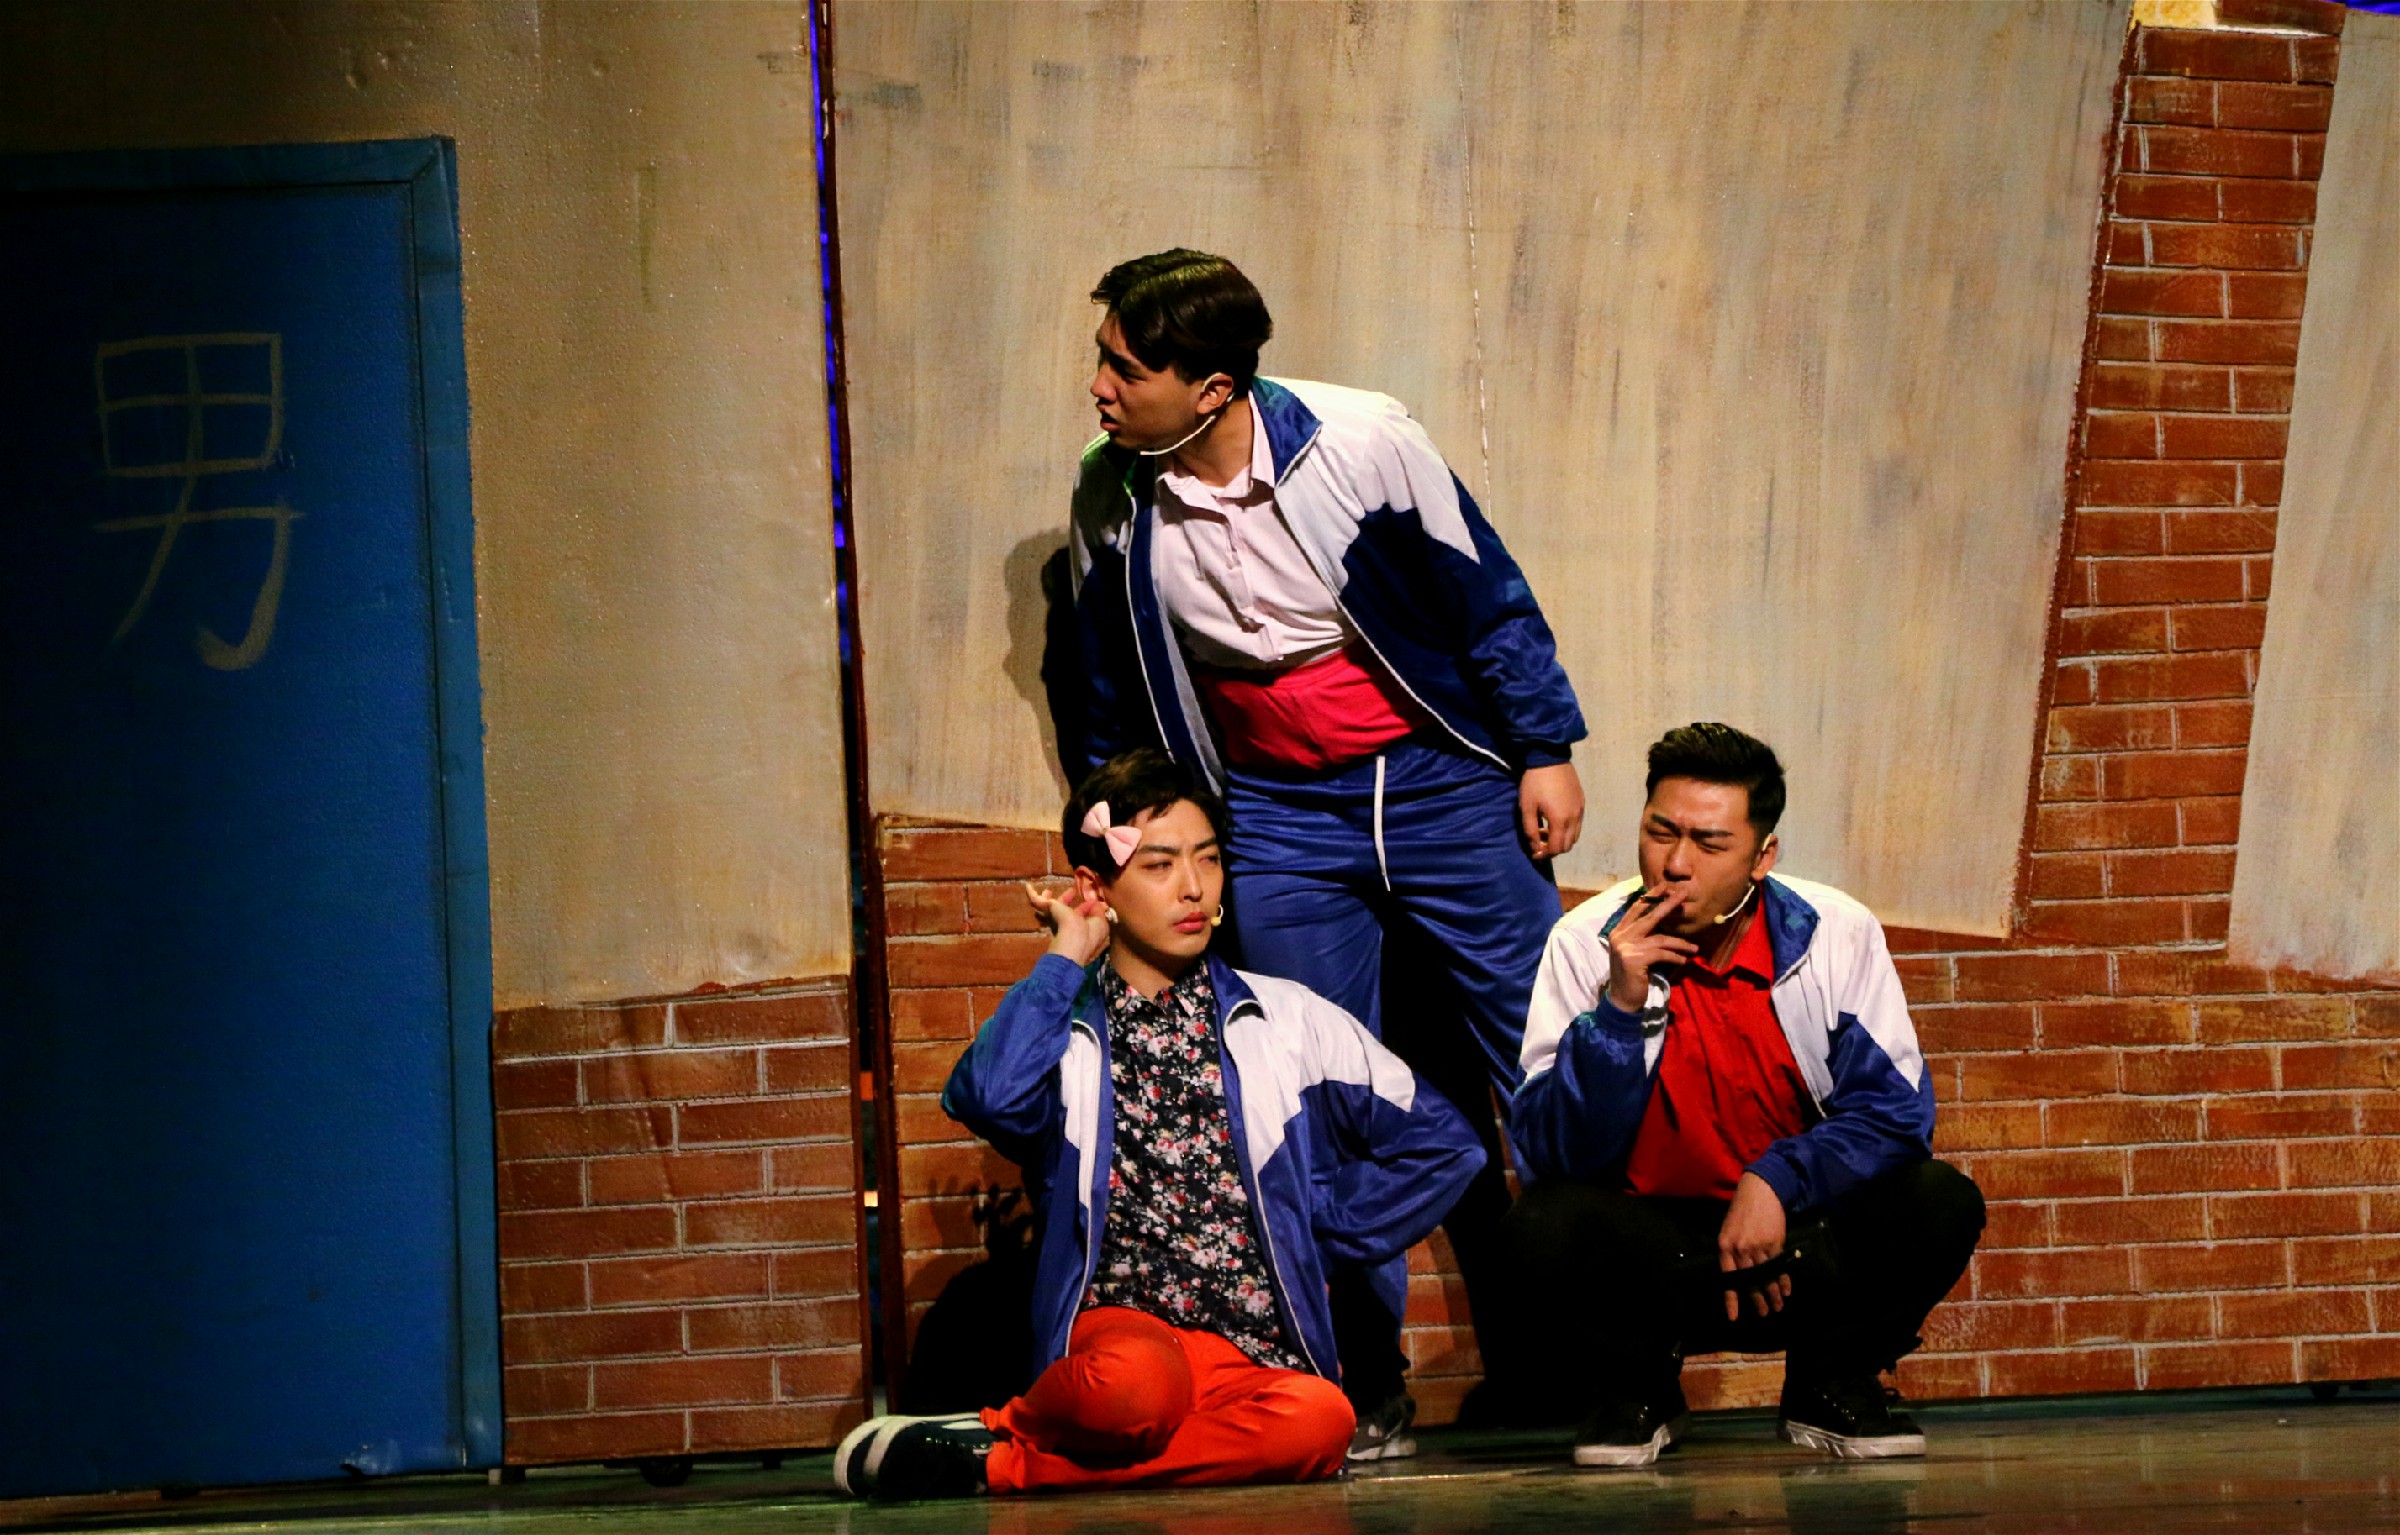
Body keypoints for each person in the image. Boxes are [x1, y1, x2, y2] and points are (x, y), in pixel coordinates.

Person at [1060, 248, 1585, 1453]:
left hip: (1442, 778)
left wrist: (1544, 745)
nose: (1100, 387)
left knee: (1542, 1057)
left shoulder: (1361, 440)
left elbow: (1486, 596)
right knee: (1312, 1084)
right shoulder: (1112, 487)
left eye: (1125, 368)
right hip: (1280, 806)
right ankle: (1360, 1377)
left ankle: (1593, 1360)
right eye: (1102, 359)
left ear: (1211, 388)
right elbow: (1102, 675)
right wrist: (1110, 819)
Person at [836, 749, 1484, 1501]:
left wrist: (1320, 1229)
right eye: (1160, 865)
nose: (1194, 887)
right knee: (1133, 1391)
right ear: (1097, 888)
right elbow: (986, 1095)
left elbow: (1446, 1145)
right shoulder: (1068, 1032)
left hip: (1252, 1345)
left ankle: (999, 1455)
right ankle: (1045, 1426)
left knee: (1322, 1421)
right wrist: (1064, 958)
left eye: (1208, 859)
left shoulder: (1288, 1018)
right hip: (1123, 1336)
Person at [1500, 723, 1984, 1468]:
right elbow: (1552, 1152)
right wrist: (1618, 1013)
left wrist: (1777, 1180)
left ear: (1762, 856)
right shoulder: (1585, 942)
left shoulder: (1834, 932)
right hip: (1662, 1254)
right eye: (1661, 832)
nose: (1675, 863)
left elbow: (1896, 1116)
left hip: (1795, 1237)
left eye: (1709, 843)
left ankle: (1831, 1378)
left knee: (1937, 1199)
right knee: (1540, 1225)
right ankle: (1639, 1389)